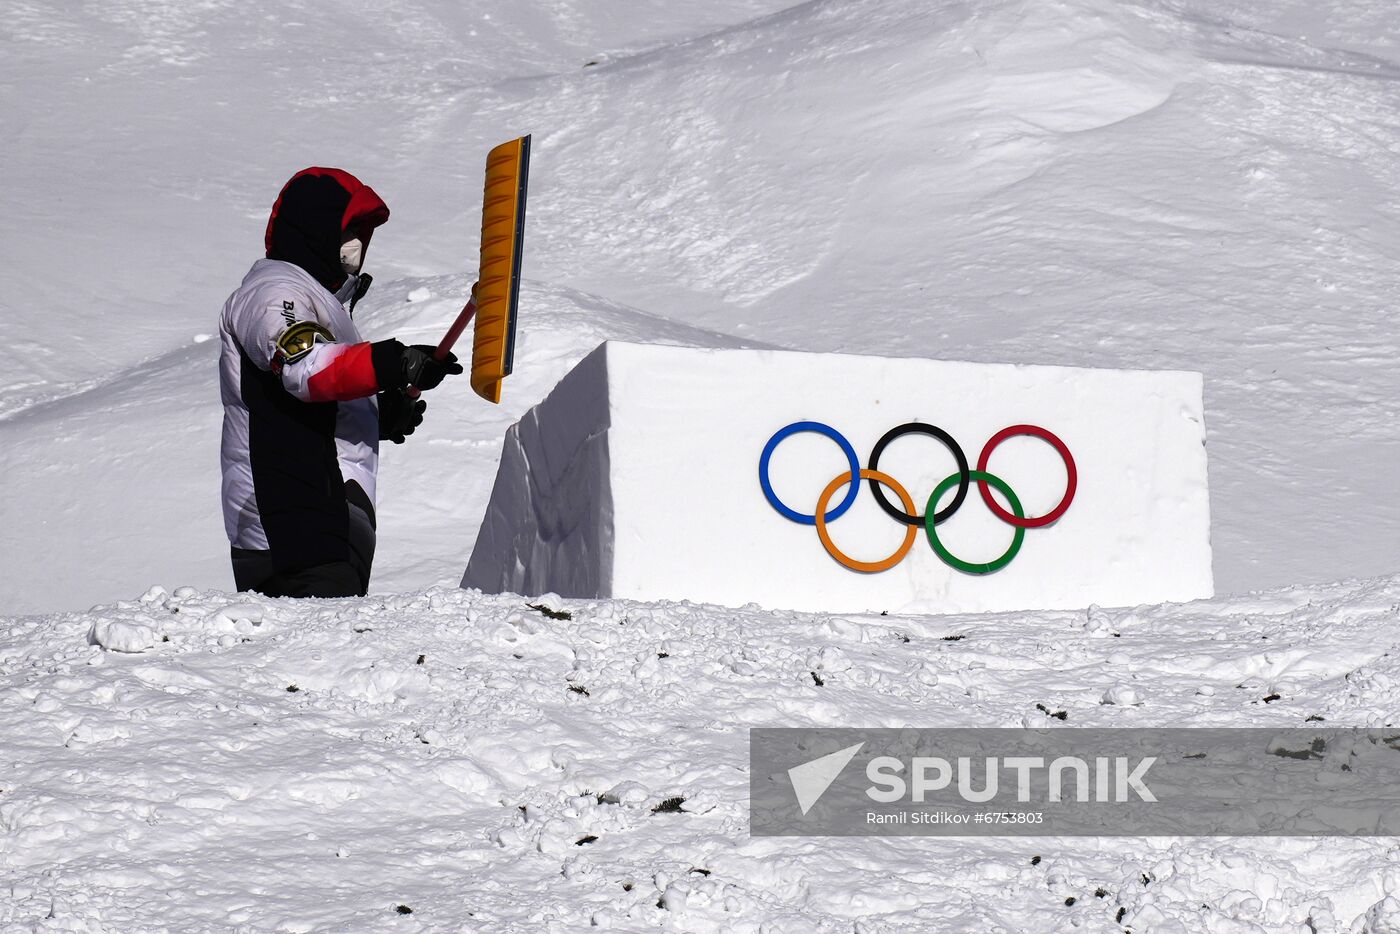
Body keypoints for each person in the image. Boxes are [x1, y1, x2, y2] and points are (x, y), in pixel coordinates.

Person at [218, 167, 462, 598]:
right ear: (313, 229)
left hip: (324, 514)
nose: (357, 245)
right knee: (310, 658)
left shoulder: (322, 302)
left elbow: (311, 397)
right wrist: (396, 364)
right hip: (291, 514)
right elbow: (304, 366)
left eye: (362, 233)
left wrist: (375, 414)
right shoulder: (275, 290)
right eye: (349, 230)